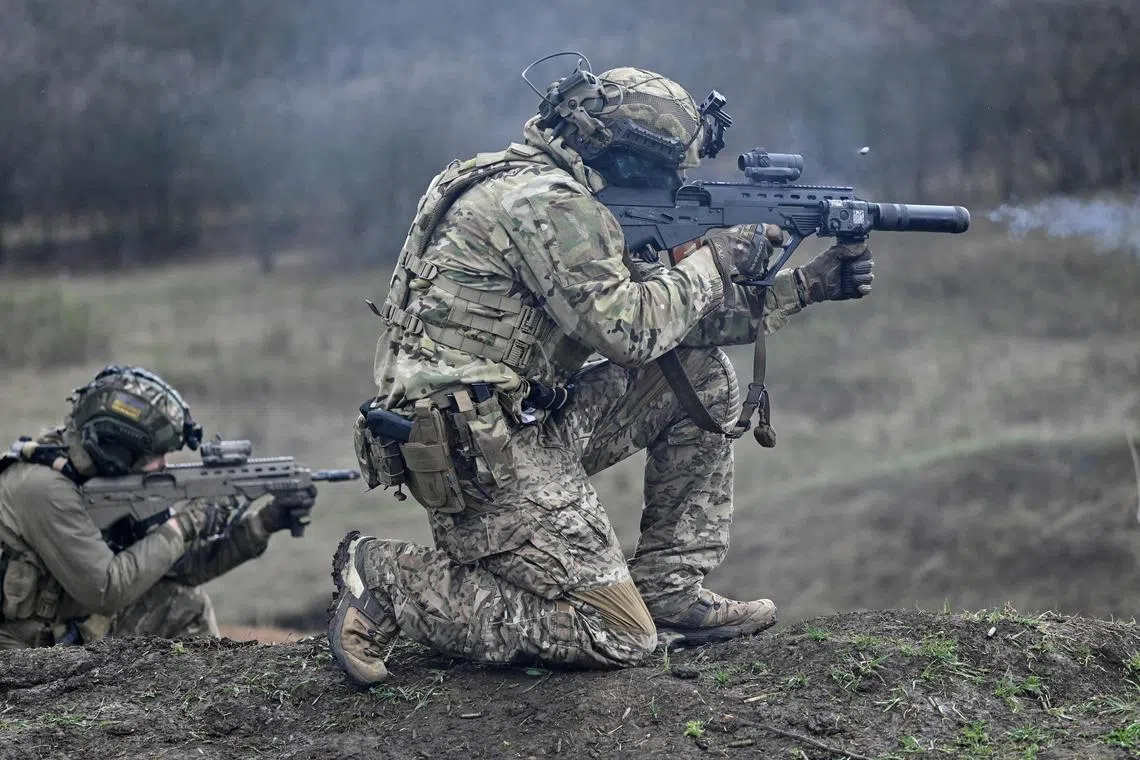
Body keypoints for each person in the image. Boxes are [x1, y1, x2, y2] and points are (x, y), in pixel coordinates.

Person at [330, 65, 875, 686]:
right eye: (670, 167)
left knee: (702, 377)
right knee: (619, 634)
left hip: (515, 423)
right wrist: (719, 257)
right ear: (627, 157)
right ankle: (387, 580)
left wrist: (805, 287)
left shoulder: (525, 181)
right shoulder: (549, 204)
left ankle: (669, 585)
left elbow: (675, 330)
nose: (677, 180)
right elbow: (631, 329)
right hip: (477, 458)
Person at [0, 365, 317, 648]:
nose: (165, 464)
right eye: (156, 455)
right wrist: (183, 524)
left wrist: (262, 523)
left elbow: (176, 569)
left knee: (185, 605)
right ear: (120, 452)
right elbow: (107, 589)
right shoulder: (43, 488)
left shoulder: (95, 478)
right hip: (19, 648)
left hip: (64, 627)